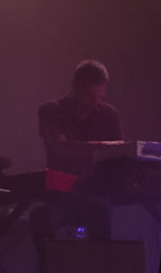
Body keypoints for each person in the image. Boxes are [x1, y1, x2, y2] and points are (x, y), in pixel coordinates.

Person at [32, 61, 122, 244]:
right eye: (89, 96)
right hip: (59, 193)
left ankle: (100, 269)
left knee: (99, 208)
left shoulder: (109, 115)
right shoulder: (51, 111)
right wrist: (104, 146)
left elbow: (119, 153)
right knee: (41, 217)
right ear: (75, 86)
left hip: (94, 191)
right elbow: (59, 147)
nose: (95, 102)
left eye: (100, 96)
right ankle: (50, 270)